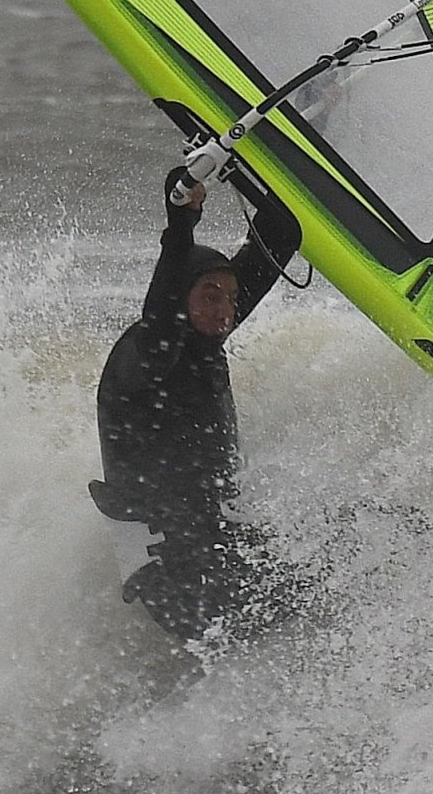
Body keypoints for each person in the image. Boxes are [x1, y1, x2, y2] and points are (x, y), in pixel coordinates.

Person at [91, 163, 301, 648]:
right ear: (181, 297)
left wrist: (237, 164)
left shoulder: (206, 332)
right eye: (211, 295)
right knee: (325, 595)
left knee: (355, 555)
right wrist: (181, 223)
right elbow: (161, 316)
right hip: (173, 579)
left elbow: (281, 234)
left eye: (230, 297)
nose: (227, 309)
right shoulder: (145, 359)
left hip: (214, 544)